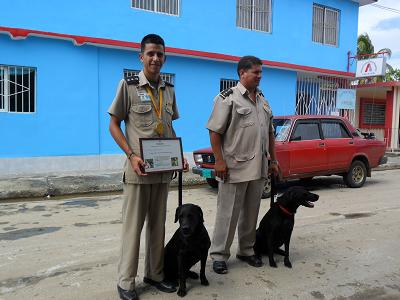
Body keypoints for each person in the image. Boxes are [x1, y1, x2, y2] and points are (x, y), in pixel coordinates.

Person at [108, 34, 188, 300]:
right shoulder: (128, 86)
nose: (155, 58)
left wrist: (179, 156)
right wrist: (131, 155)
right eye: (151, 53)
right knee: (133, 229)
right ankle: (125, 282)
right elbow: (113, 125)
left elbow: (168, 126)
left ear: (165, 58)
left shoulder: (169, 90)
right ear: (141, 57)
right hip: (138, 172)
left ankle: (154, 274)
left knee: (158, 226)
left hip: (162, 171)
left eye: (160, 54)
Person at [206, 55, 279, 274]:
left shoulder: (263, 99)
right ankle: (219, 254)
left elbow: (270, 132)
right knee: (227, 214)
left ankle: (246, 250)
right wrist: (219, 161)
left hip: (258, 168)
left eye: (261, 72)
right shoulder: (227, 98)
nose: (260, 76)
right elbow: (214, 131)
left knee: (251, 212)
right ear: (242, 73)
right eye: (256, 72)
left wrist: (273, 160)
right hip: (234, 167)